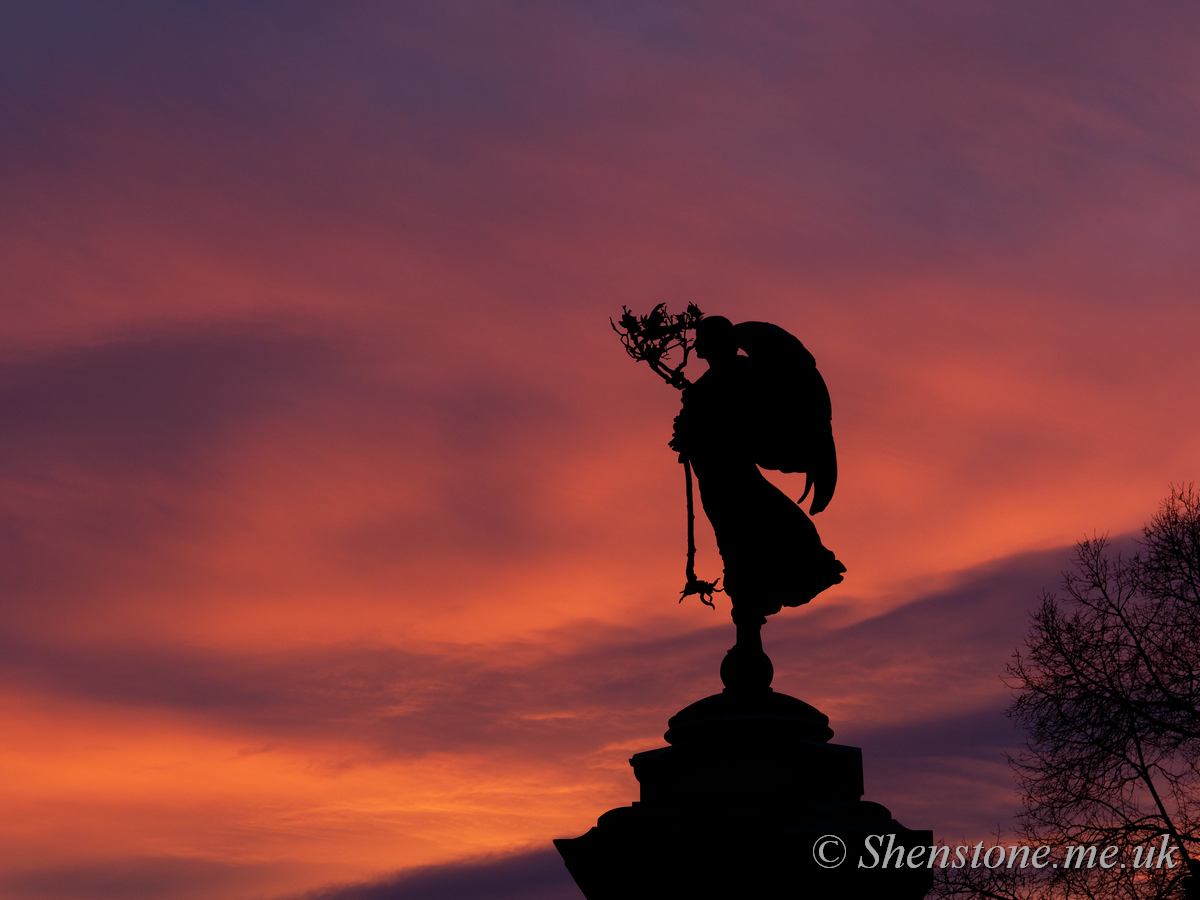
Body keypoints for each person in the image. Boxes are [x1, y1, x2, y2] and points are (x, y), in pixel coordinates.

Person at [670, 316, 846, 640]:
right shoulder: (707, 385)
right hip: (714, 479)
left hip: (735, 476)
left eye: (703, 339)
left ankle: (756, 603)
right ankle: (749, 605)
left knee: (753, 538)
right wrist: (687, 432)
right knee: (734, 543)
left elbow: (744, 425)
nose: (698, 346)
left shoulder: (745, 376)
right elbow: (693, 431)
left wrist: (700, 423)